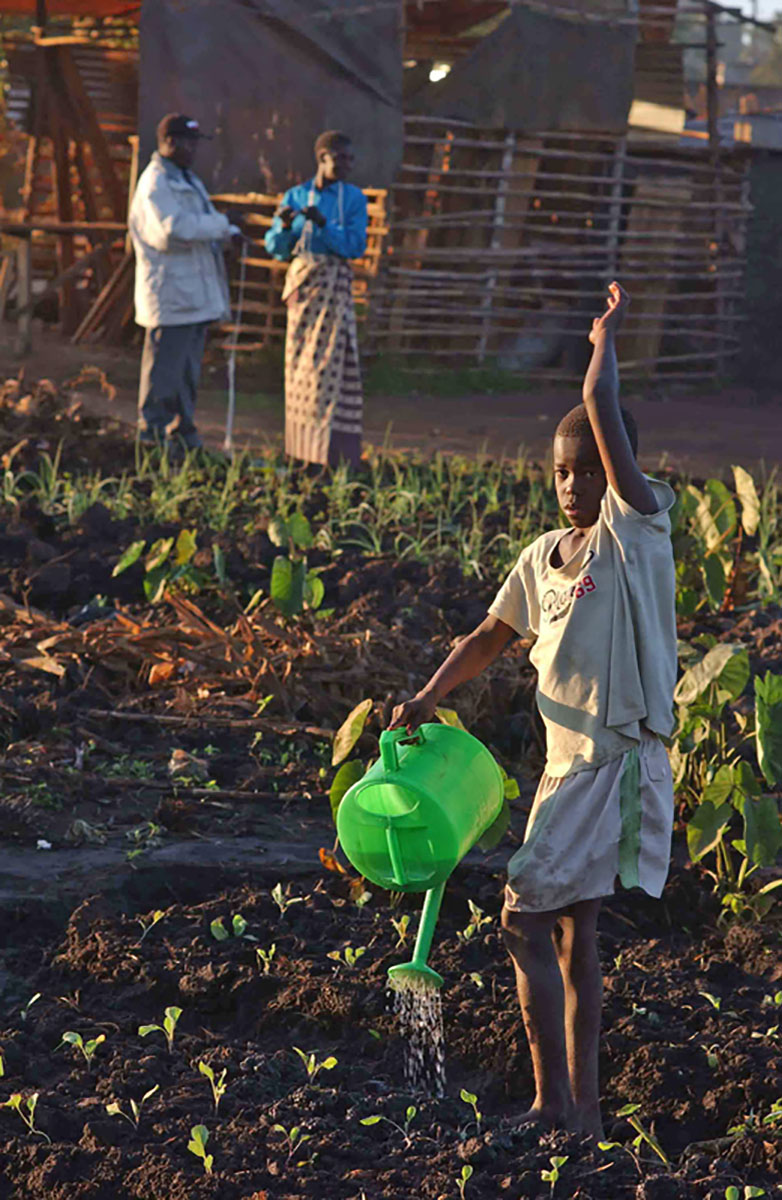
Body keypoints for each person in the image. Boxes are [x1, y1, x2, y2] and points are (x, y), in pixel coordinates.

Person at [389, 282, 677, 1138]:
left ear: (618, 471)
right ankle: (583, 1113)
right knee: (574, 933)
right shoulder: (542, 555)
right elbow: (490, 635)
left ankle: (555, 1104)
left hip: (611, 760)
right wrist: (427, 696)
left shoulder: (635, 534)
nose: (573, 484)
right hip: (563, 765)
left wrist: (603, 343)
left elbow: (601, 406)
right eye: (561, 471)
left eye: (589, 469)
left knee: (522, 919)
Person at [130, 113, 242, 450]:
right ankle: (151, 437)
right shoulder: (155, 183)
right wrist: (221, 225)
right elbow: (171, 230)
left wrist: (229, 233)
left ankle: (183, 434)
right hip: (171, 295)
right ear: (169, 142)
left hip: (193, 295)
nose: (193, 149)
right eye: (187, 142)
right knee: (164, 371)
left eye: (195, 143)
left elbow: (201, 224)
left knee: (187, 373)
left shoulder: (188, 180)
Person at [265, 130, 368, 469]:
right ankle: (300, 451)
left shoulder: (353, 199)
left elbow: (354, 246)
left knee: (330, 369)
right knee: (299, 369)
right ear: (322, 158)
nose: (347, 165)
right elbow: (277, 249)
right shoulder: (295, 196)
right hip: (304, 292)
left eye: (350, 159)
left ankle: (333, 454)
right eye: (340, 158)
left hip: (332, 290)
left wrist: (324, 225)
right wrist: (284, 228)